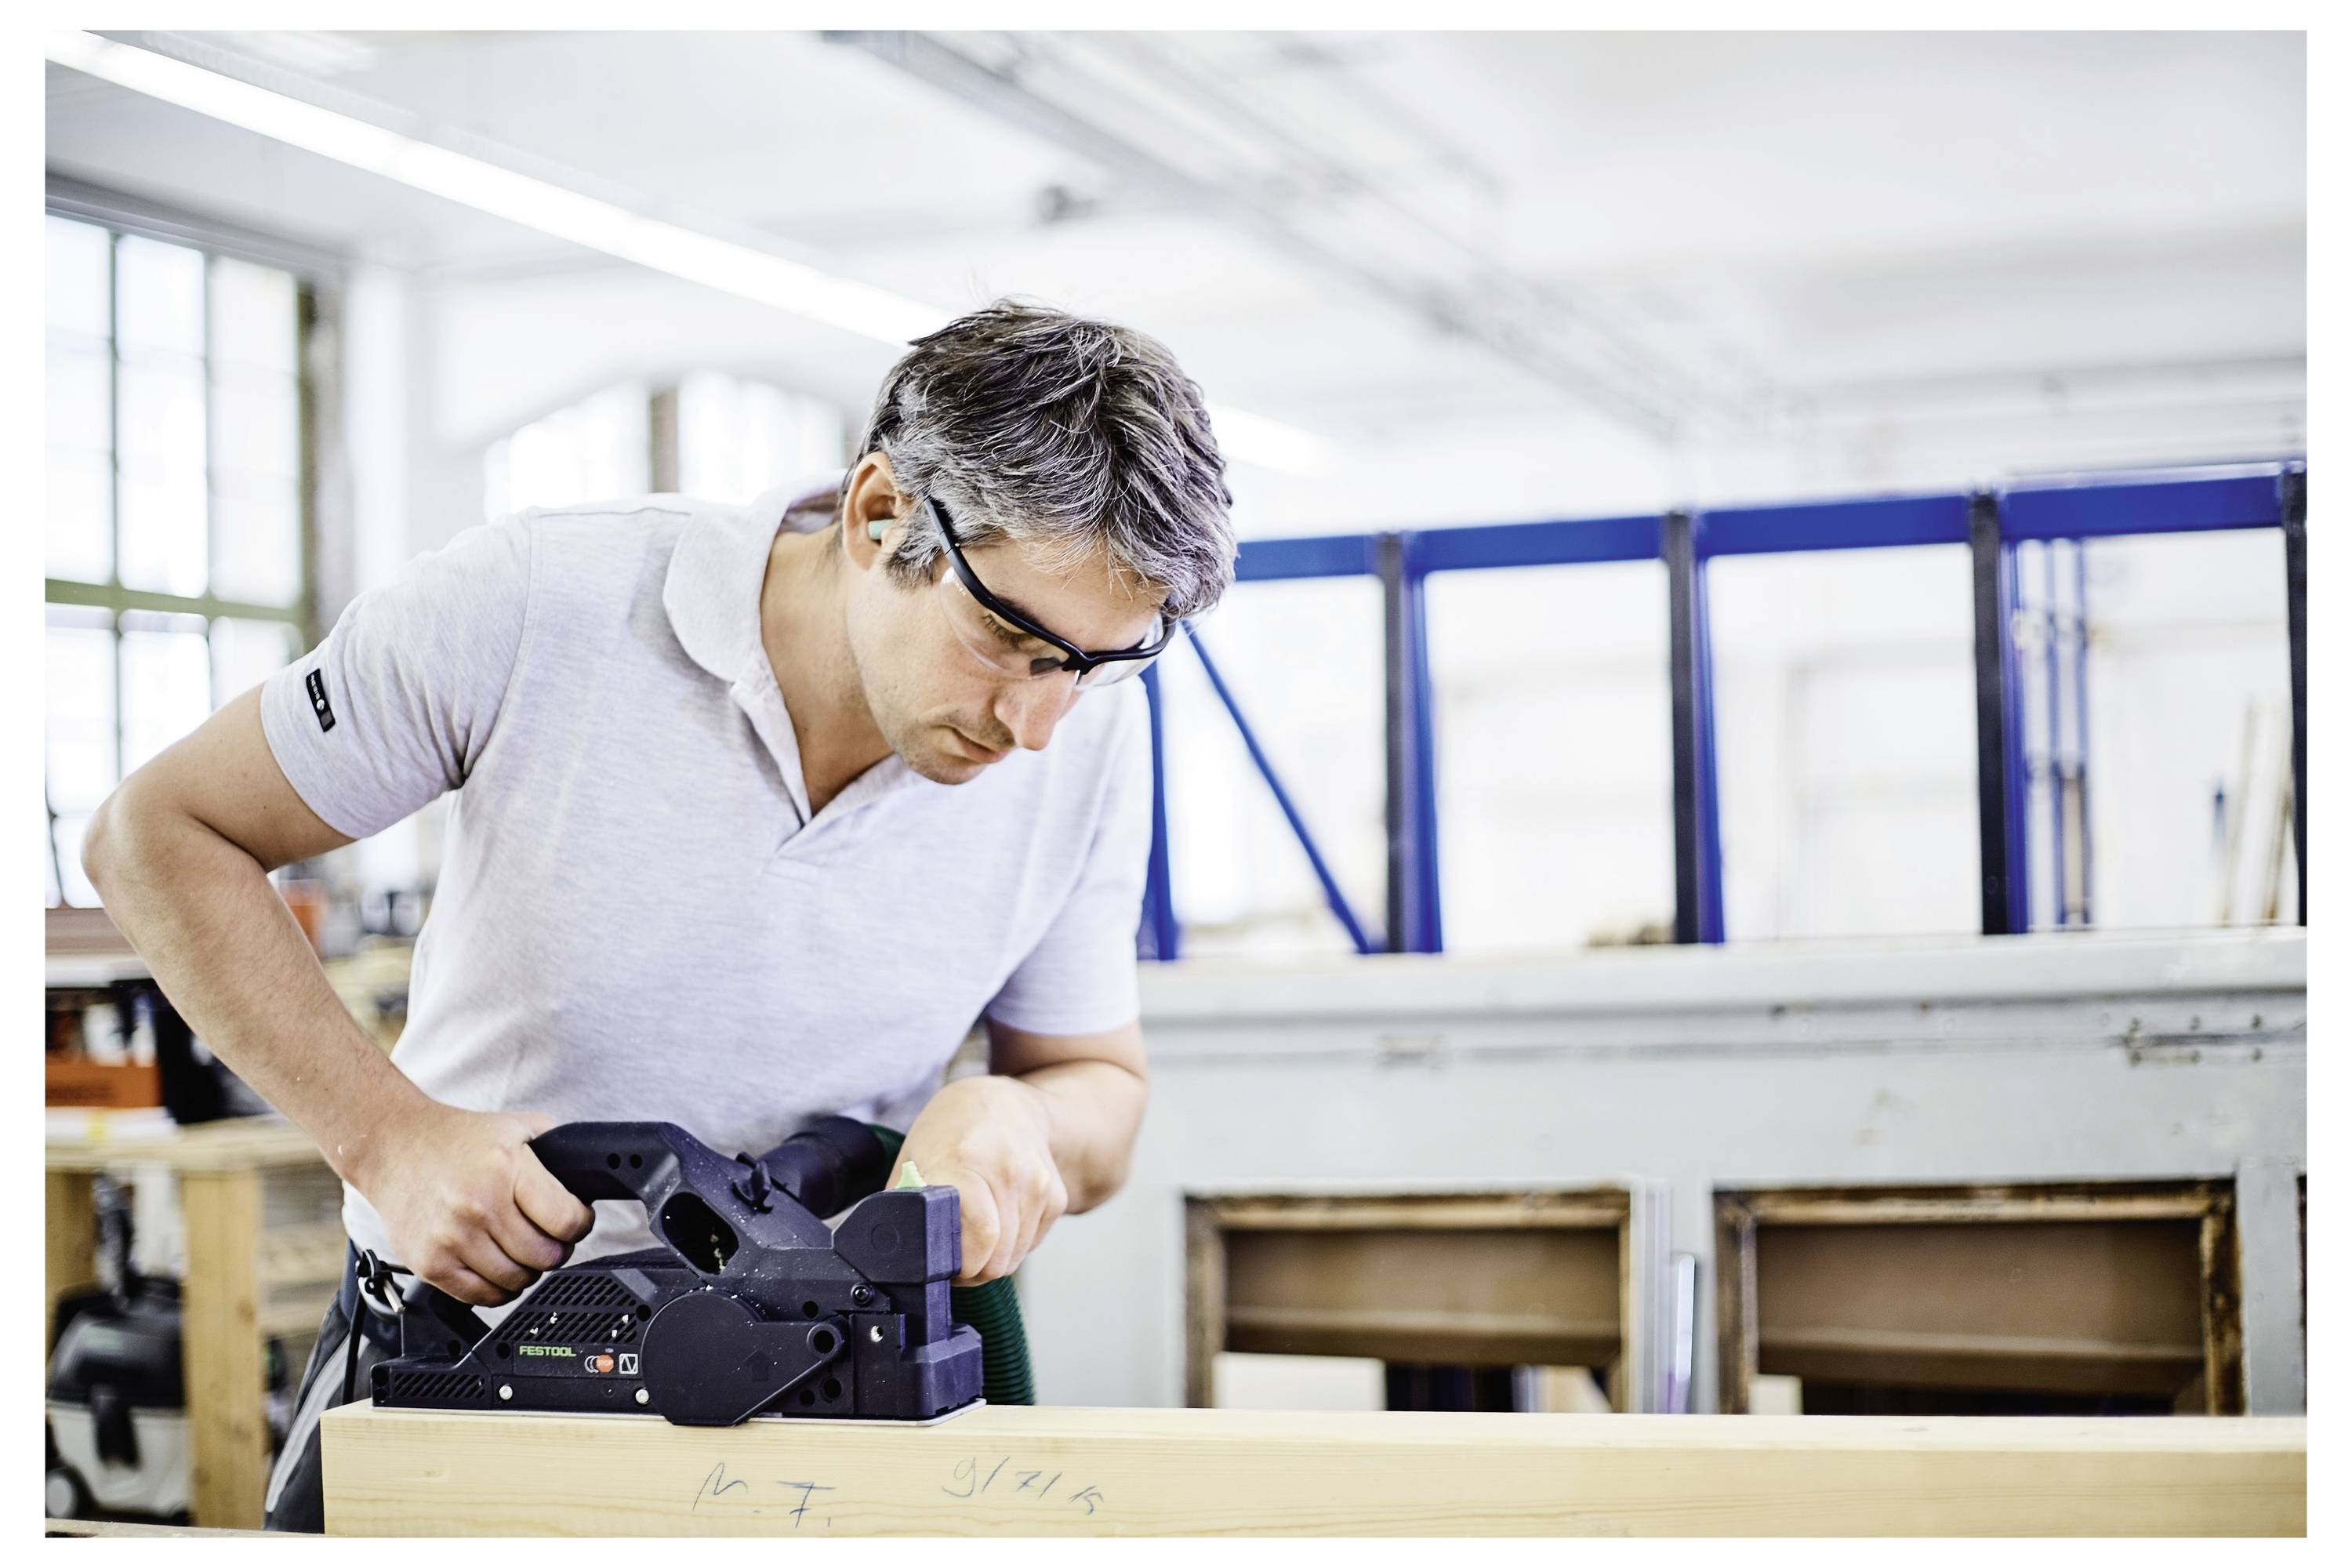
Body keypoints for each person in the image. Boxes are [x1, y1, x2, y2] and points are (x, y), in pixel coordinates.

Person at [79, 300, 1236, 1530]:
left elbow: (1098, 1090)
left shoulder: (1083, 734)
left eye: (1101, 665)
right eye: (1009, 639)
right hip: (478, 1362)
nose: (1040, 725)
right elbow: (154, 836)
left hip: (837, 1397)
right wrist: (388, 1139)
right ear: (880, 515)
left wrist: (1020, 1120)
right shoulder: (540, 600)